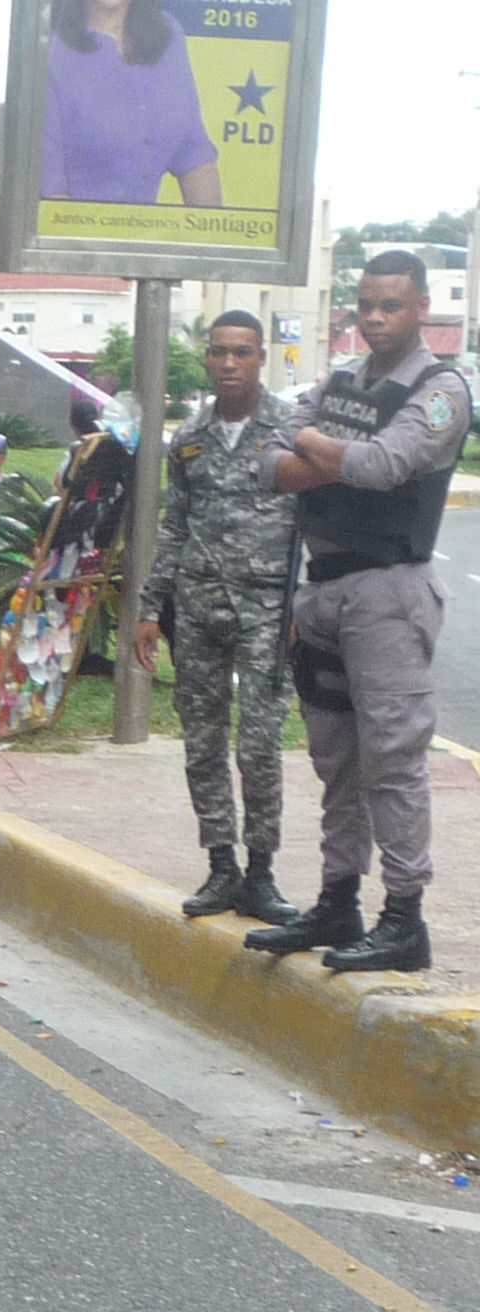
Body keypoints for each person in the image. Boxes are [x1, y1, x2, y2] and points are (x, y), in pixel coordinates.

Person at [244, 251, 472, 971]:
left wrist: (310, 445)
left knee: (393, 759)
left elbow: (384, 467)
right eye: (366, 305)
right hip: (324, 591)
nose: (375, 318)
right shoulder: (341, 382)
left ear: (423, 309)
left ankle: (403, 919)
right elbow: (264, 460)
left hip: (388, 593)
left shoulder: (441, 390)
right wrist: (334, 452)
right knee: (335, 758)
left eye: (392, 306)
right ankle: (338, 902)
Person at [134, 312, 298, 923]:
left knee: (259, 744)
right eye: (220, 353)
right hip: (199, 610)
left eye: (244, 353)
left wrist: (299, 604)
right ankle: (221, 866)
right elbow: (175, 526)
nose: (230, 363)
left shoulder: (292, 430)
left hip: (266, 611)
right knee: (202, 742)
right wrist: (152, 606)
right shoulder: (191, 437)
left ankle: (261, 872)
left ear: (262, 358)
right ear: (206, 359)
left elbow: (313, 524)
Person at [42, 0, 220, 208]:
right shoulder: (48, 51)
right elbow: (50, 197)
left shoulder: (168, 36)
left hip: (146, 235)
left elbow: (194, 154)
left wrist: (212, 234)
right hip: (70, 235)